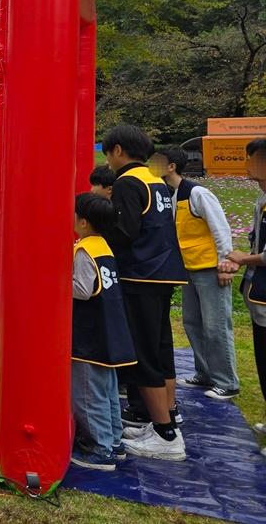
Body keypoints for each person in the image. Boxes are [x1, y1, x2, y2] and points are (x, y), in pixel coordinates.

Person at [101, 124, 187, 460]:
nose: (108, 160)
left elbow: (126, 230)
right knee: (162, 348)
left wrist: (95, 233)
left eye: (108, 152)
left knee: (144, 354)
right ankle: (167, 417)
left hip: (141, 275)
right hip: (164, 273)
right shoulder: (156, 180)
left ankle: (166, 437)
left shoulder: (127, 181)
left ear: (118, 150)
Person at [151, 146, 238, 401]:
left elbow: (220, 228)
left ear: (171, 167)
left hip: (210, 268)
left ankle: (227, 382)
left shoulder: (198, 193)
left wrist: (226, 263)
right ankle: (205, 373)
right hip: (188, 269)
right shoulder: (171, 195)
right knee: (193, 323)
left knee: (216, 326)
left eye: (158, 162)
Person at [70, 193, 137, 471]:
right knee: (108, 391)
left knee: (88, 393)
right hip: (111, 334)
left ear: (83, 222)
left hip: (91, 337)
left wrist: (53, 280)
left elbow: (83, 290)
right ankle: (114, 441)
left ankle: (99, 449)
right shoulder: (104, 247)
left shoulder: (85, 249)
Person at [220, 138, 266, 453]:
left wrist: (241, 259)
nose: (247, 166)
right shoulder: (260, 200)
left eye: (251, 159)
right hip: (257, 292)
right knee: (262, 360)